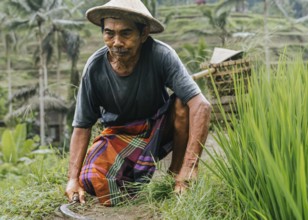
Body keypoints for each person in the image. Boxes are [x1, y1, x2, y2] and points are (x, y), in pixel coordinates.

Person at [65, 0, 211, 206]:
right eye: (109, 33)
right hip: (120, 133)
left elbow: (201, 106)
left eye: (126, 33)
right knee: (91, 179)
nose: (116, 42)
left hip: (160, 127)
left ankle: (176, 174)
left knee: (182, 103)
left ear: (143, 35)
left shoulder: (161, 55)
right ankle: (134, 183)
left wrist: (191, 166)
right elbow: (82, 126)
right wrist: (72, 180)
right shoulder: (95, 68)